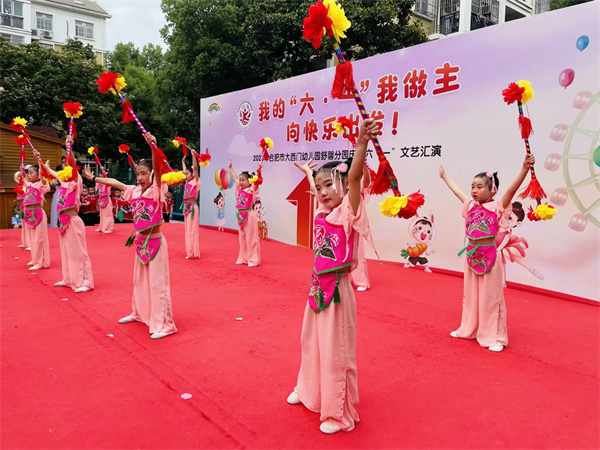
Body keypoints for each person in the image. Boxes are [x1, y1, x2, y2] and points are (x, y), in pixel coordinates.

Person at [287, 118, 379, 435]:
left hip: (338, 291)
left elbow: (353, 177)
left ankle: (337, 412)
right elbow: (318, 186)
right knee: (310, 342)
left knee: (335, 350)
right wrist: (308, 173)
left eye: (330, 185)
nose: (324, 191)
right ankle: (308, 391)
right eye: (320, 187)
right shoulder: (322, 212)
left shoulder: (347, 212)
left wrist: (361, 143)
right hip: (316, 289)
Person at [83, 133, 177, 339]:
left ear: (152, 174)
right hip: (141, 241)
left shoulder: (157, 189)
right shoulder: (134, 191)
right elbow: (115, 182)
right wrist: (93, 178)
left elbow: (159, 169)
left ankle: (165, 324)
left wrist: (153, 146)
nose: (140, 177)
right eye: (138, 173)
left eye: (144, 173)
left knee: (157, 283)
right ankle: (139, 312)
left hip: (155, 242)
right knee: (139, 280)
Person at [439, 154, 535, 352]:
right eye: (473, 186)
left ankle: (497, 337)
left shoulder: (498, 206)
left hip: (490, 256)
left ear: (492, 190)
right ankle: (469, 329)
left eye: (480, 187)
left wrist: (524, 169)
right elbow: (457, 191)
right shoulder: (470, 205)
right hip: (472, 255)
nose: (474, 190)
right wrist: (445, 177)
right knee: (471, 296)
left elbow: (512, 189)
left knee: (491, 298)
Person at [43, 137, 94, 293]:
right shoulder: (64, 182)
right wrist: (46, 167)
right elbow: (54, 173)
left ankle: (87, 281)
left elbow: (72, 163)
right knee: (66, 251)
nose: (66, 166)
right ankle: (69, 278)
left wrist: (69, 148)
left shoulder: (76, 180)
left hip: (73, 220)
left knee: (79, 252)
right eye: (64, 165)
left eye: (68, 164)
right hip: (63, 220)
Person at [495, 201, 543, 285]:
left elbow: (503, 243)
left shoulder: (507, 232)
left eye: (510, 218)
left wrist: (497, 250)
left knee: (512, 261)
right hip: (492, 246)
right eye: (506, 216)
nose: (506, 219)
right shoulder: (498, 225)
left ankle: (532, 271)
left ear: (518, 223)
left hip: (501, 248)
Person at [229, 159, 262, 267]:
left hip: (249, 215)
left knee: (251, 238)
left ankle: (253, 259)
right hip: (240, 216)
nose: (240, 182)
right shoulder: (239, 189)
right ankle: (243, 258)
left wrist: (260, 169)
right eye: (240, 180)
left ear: (250, 181)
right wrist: (231, 167)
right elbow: (234, 177)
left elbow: (257, 182)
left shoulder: (252, 189)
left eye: (243, 180)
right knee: (242, 238)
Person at [22, 165, 50, 270]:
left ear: (38, 174)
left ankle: (41, 262)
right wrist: (22, 169)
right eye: (28, 173)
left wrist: (39, 160)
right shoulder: (30, 185)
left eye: (31, 173)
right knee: (33, 239)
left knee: (39, 239)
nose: (28, 175)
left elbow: (43, 175)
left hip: (38, 213)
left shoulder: (41, 185)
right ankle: (35, 259)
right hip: (29, 214)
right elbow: (24, 178)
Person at [182, 150, 200, 259]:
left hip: (192, 207)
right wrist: (183, 161)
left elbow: (195, 168)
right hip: (186, 207)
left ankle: (193, 252)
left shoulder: (195, 181)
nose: (185, 175)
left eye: (187, 174)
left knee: (192, 230)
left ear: (192, 175)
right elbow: (185, 170)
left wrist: (193, 157)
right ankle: (189, 250)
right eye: (184, 174)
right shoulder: (187, 182)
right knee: (187, 229)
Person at [13, 171, 29, 248]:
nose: (19, 178)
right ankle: (25, 242)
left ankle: (30, 243)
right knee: (23, 225)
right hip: (21, 206)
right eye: (17, 177)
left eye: (20, 176)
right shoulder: (19, 186)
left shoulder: (27, 185)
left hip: (27, 206)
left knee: (28, 225)